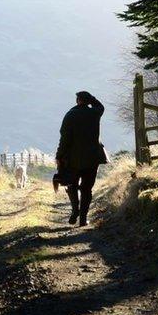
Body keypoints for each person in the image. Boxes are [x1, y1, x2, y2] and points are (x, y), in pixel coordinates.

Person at [55, 91, 107, 226]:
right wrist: (92, 99)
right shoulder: (94, 113)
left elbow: (64, 138)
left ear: (77, 100)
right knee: (86, 188)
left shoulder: (70, 115)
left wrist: (59, 155)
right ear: (88, 101)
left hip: (73, 159)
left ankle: (75, 211)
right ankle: (83, 219)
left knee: (72, 185)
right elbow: (101, 106)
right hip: (92, 157)